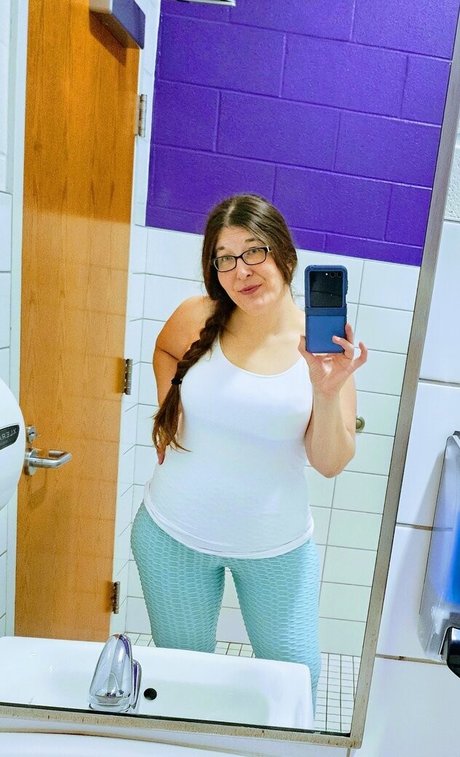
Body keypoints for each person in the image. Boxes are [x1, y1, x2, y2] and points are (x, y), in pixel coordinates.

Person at [131, 194, 368, 707]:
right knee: (185, 683)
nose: (242, 270)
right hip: (172, 536)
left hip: (276, 549)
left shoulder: (321, 348)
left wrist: (327, 391)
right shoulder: (197, 315)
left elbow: (330, 462)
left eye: (254, 251)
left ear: (285, 254)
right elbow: (166, 351)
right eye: (225, 258)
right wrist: (169, 414)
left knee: (296, 685)